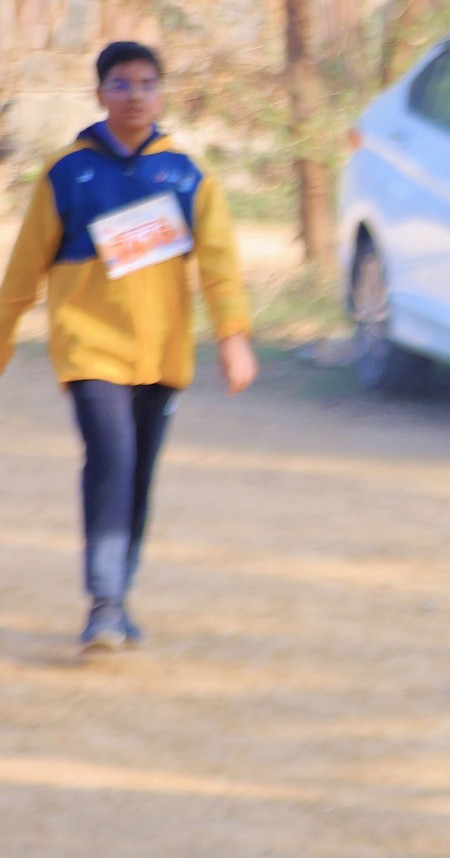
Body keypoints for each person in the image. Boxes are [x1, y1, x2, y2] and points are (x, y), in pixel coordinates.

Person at [0, 40, 256, 656]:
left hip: (162, 355)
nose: (134, 95)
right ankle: (104, 603)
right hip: (89, 349)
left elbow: (219, 267)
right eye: (120, 83)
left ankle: (119, 597)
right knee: (110, 459)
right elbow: (23, 270)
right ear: (99, 94)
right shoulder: (67, 173)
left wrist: (233, 337)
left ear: (160, 95)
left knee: (138, 471)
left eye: (146, 84)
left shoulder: (187, 175)